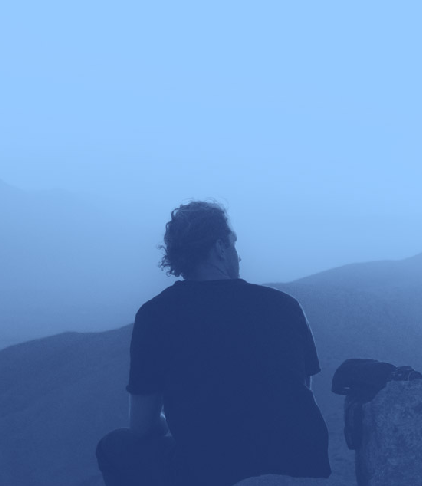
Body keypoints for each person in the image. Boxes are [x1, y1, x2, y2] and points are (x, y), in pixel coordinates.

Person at [95, 201, 330, 486]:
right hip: (303, 462)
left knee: (113, 447)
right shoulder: (284, 305)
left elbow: (142, 428)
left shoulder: (156, 315)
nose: (238, 255)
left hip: (215, 469)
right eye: (233, 244)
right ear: (220, 247)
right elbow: (300, 392)